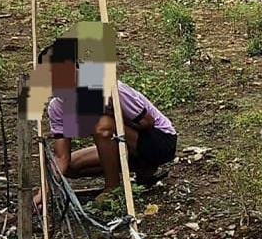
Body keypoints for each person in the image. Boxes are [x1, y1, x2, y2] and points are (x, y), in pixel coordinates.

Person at [45, 79, 178, 196]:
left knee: (103, 125)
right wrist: (42, 193)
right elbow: (62, 158)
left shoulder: (110, 89)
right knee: (71, 166)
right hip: (126, 144)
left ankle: (112, 188)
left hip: (160, 140)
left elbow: (148, 123)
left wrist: (108, 111)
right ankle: (143, 167)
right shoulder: (57, 107)